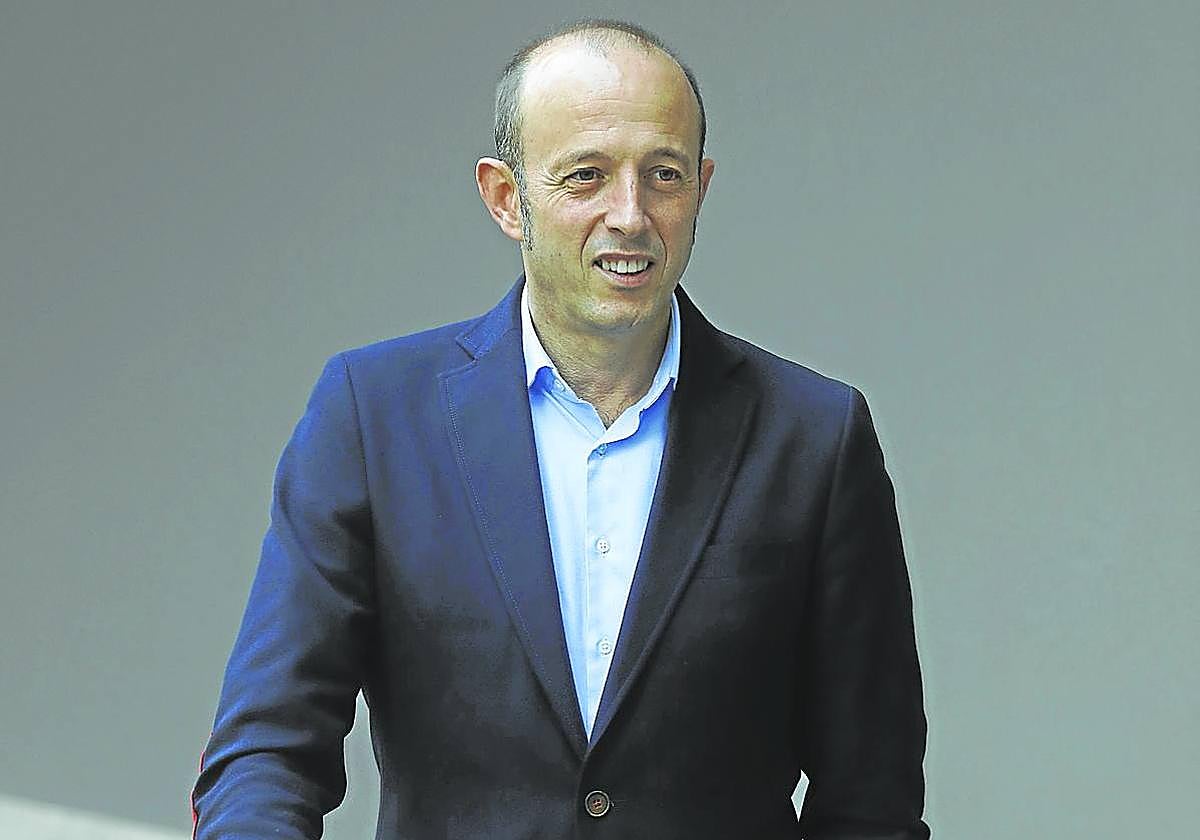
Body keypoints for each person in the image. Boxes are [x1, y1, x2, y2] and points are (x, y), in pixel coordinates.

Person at [191, 19, 930, 840]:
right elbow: (267, 748)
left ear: (701, 187)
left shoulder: (815, 439)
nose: (630, 214)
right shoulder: (374, 417)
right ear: (507, 198)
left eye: (664, 174)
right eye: (586, 176)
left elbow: (872, 802)